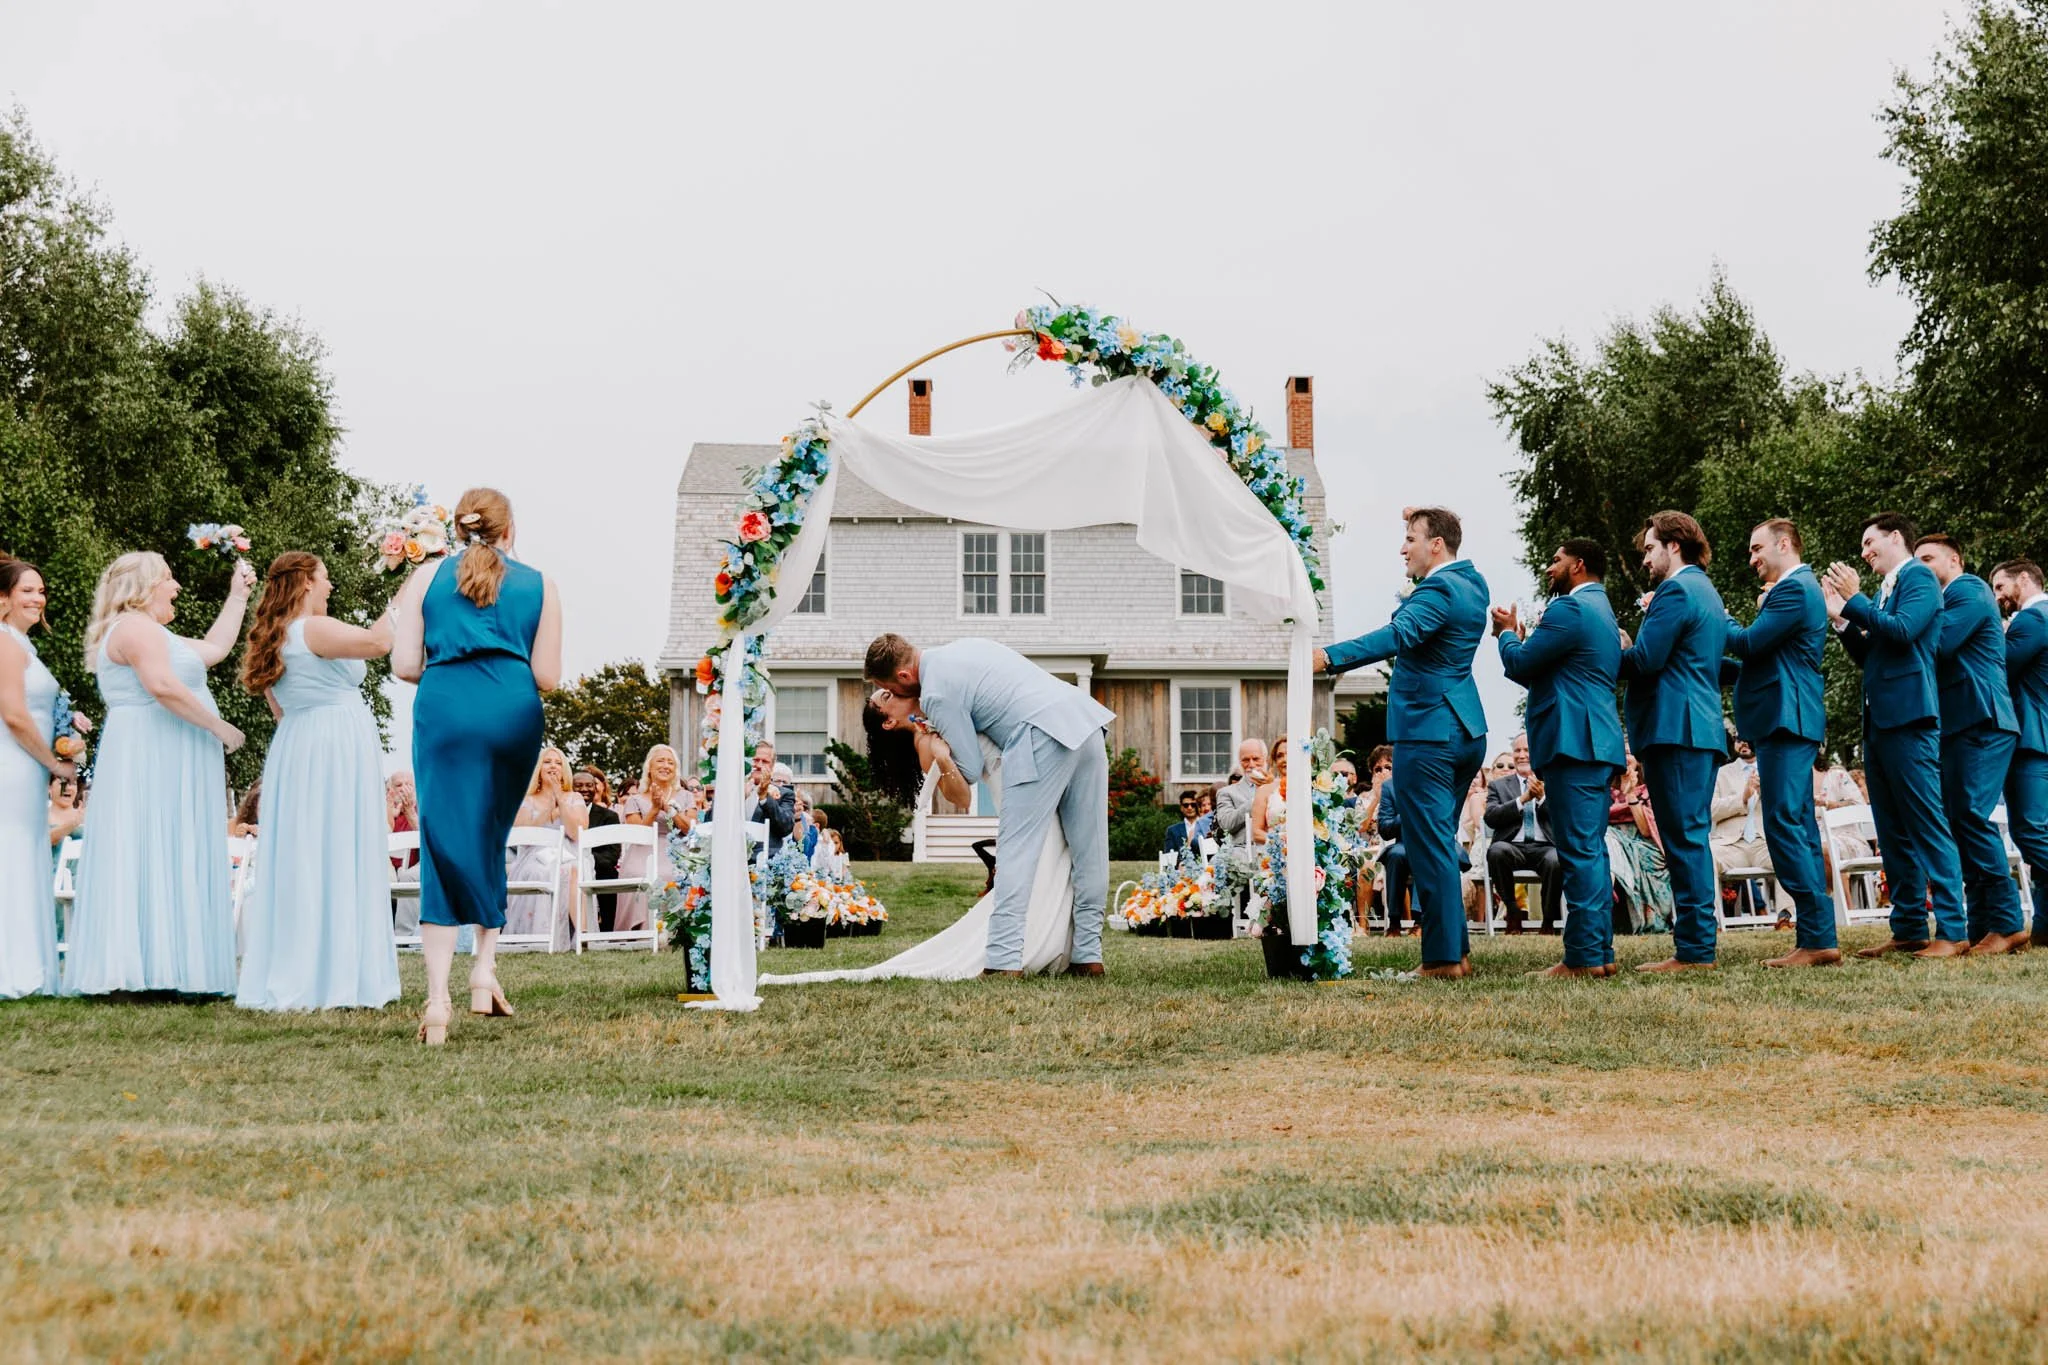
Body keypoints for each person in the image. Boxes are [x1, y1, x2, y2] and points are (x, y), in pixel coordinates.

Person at [391, 487, 562, 1044]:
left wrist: (450, 668)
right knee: (490, 835)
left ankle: (438, 1000)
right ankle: (483, 971)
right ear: (509, 531)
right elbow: (548, 677)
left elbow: (403, 664)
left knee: (443, 843)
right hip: (512, 712)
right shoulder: (541, 584)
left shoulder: (425, 579)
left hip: (445, 709)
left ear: (459, 529)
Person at [762, 698, 1077, 986]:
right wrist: (944, 757)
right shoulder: (925, 741)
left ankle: (1050, 935)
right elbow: (961, 795)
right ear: (888, 721)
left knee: (1050, 859)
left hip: (1030, 778)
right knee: (1043, 861)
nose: (892, 693)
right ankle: (1036, 939)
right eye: (885, 697)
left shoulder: (935, 709)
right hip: (1013, 785)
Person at [863, 632, 1114, 978]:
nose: (894, 693)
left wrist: (940, 746)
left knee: (1016, 852)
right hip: (1084, 721)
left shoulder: (935, 693)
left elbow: (966, 768)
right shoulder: (966, 646)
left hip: (1040, 736)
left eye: (888, 686)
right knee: (1091, 849)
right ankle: (1088, 956)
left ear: (904, 677)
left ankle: (1003, 961)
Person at [66, 551, 251, 996]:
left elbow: (217, 649)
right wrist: (220, 727)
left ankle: (168, 967)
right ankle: (133, 971)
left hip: (168, 751)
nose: (177, 587)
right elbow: (163, 686)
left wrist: (238, 596)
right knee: (146, 843)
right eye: (169, 579)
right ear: (144, 587)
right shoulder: (133, 628)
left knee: (169, 846)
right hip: (148, 752)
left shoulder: (155, 633)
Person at [1317, 505, 1490, 977]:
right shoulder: (1473, 584)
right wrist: (1429, 515)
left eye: (1410, 538)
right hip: (1465, 729)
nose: (1402, 548)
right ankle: (1457, 952)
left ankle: (1442, 960)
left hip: (1429, 732)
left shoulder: (1439, 588)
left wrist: (1328, 657)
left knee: (1426, 842)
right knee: (1438, 839)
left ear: (1436, 545)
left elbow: (1398, 634)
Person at [233, 551, 402, 1011]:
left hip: (297, 744)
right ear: (306, 581)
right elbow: (379, 643)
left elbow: (279, 709)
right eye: (325, 578)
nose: (330, 587)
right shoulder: (311, 628)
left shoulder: (272, 636)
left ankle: (300, 969)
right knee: (339, 849)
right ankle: (340, 976)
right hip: (334, 744)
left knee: (304, 854)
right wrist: (410, 584)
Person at [1823, 512, 1968, 958]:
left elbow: (1904, 633)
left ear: (1896, 538)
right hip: (1880, 724)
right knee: (1891, 832)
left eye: (1870, 542)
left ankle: (1953, 930)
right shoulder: (1885, 592)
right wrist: (1843, 621)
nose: (1864, 552)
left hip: (1910, 721)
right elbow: (1874, 654)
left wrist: (1854, 600)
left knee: (1926, 825)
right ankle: (1907, 928)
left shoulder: (1919, 579)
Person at [1494, 538, 1626, 978]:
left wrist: (1507, 635)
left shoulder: (1569, 609)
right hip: (1594, 743)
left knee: (1577, 851)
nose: (1551, 566)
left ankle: (1584, 957)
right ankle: (1599, 953)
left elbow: (1523, 664)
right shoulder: (1603, 612)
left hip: (1575, 744)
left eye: (1557, 559)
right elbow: (1560, 672)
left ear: (1578, 564)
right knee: (1591, 850)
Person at [1722, 519, 1839, 965]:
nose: (1752, 558)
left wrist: (1717, 616)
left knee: (1787, 826)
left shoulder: (1794, 588)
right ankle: (1817, 936)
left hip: (1787, 720)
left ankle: (1817, 938)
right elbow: (1762, 659)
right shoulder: (1791, 591)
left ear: (1784, 544)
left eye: (1757, 548)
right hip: (1786, 718)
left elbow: (1749, 644)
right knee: (1796, 826)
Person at [1617, 511, 1728, 974]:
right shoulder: (1706, 591)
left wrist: (1613, 646)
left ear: (1673, 546)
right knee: (1689, 836)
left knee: (1683, 840)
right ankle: (1695, 942)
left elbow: (1646, 660)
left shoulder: (1676, 590)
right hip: (1695, 727)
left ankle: (1696, 949)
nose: (1645, 559)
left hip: (1676, 728)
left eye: (1649, 548)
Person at [1913, 535, 2027, 955]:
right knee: (1961, 819)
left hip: (1984, 718)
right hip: (1960, 723)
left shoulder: (1969, 589)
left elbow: (1938, 646)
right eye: (1916, 561)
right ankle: (1981, 924)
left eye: (1928, 559)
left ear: (1955, 559)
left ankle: (2008, 923)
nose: (1921, 567)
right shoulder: (1944, 597)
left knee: (1972, 815)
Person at [0, 558, 72, 998]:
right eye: (27, 590)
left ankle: (29, 966)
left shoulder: (23, 646)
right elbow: (13, 714)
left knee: (24, 856)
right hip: (12, 764)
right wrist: (53, 761)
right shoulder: (5, 645)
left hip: (26, 768)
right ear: (3, 599)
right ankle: (13, 969)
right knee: (10, 855)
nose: (37, 598)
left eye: (41, 590)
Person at [1991, 558, 2048, 947]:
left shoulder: (2032, 619)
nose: (1997, 597)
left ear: (2024, 580)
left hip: (2033, 738)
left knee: (2030, 831)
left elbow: (1998, 666)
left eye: (2000, 587)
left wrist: (1996, 633)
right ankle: (2044, 927)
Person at [507, 746, 587, 949]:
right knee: (543, 871)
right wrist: (548, 807)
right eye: (548, 761)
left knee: (572, 868)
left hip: (569, 852)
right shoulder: (527, 799)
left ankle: (582, 936)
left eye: (558, 763)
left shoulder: (574, 798)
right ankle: (542, 937)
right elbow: (523, 835)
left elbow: (577, 833)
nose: (553, 766)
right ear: (539, 768)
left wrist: (560, 799)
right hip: (534, 854)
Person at [1484, 734, 1561, 934]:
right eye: (1517, 750)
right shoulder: (1498, 786)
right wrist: (1523, 799)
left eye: (1526, 750)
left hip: (1545, 847)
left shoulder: (1553, 781)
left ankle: (1549, 921)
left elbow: (1562, 817)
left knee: (1556, 860)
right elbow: (1491, 817)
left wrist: (1542, 797)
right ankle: (1512, 910)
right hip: (1513, 846)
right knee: (1496, 850)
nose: (1521, 755)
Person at [617, 744, 690, 934]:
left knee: (672, 874)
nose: (666, 766)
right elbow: (637, 834)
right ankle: (639, 931)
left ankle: (675, 932)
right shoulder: (635, 799)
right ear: (649, 767)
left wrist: (667, 808)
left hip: (676, 848)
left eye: (670, 762)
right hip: (643, 850)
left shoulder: (686, 796)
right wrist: (654, 809)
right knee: (638, 874)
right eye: (660, 761)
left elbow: (689, 828)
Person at [1608, 755, 1674, 933]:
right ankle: (1607, 887)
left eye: (1629, 752)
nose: (1625, 756)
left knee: (1610, 847)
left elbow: (1647, 830)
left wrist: (1629, 794)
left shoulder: (1650, 789)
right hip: (1613, 843)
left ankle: (1606, 890)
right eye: (1621, 751)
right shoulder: (1605, 791)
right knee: (1607, 840)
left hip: (1646, 844)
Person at [573, 766, 622, 932]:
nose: (584, 789)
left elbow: (613, 854)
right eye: (578, 786)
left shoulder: (609, 816)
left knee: (610, 874)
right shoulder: (563, 812)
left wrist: (587, 861)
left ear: (596, 788)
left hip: (599, 868)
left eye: (589, 785)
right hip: (568, 866)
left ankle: (607, 930)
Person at [1213, 738, 1268, 847]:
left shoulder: (1278, 787)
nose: (1251, 764)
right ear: (1240, 762)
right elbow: (1226, 825)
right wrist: (1256, 801)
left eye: (1256, 759)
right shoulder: (1226, 793)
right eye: (1246, 760)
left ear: (1265, 759)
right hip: (1243, 854)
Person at [748, 741, 796, 856]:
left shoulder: (785, 794)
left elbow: (786, 827)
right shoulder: (733, 791)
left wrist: (765, 798)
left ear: (772, 766)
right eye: (755, 760)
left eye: (764, 762)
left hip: (764, 861)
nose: (759, 765)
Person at [1249, 735, 1289, 847]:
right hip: (1276, 853)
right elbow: (1256, 833)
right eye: (1280, 756)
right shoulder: (1265, 790)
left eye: (1289, 754)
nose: (1285, 759)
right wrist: (1280, 841)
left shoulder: (1312, 788)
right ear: (1275, 761)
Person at [1163, 789, 1201, 856]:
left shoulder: (1206, 826)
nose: (1189, 808)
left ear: (1198, 806)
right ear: (1181, 807)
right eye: (1186, 805)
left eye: (1193, 804)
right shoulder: (1172, 831)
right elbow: (1168, 857)